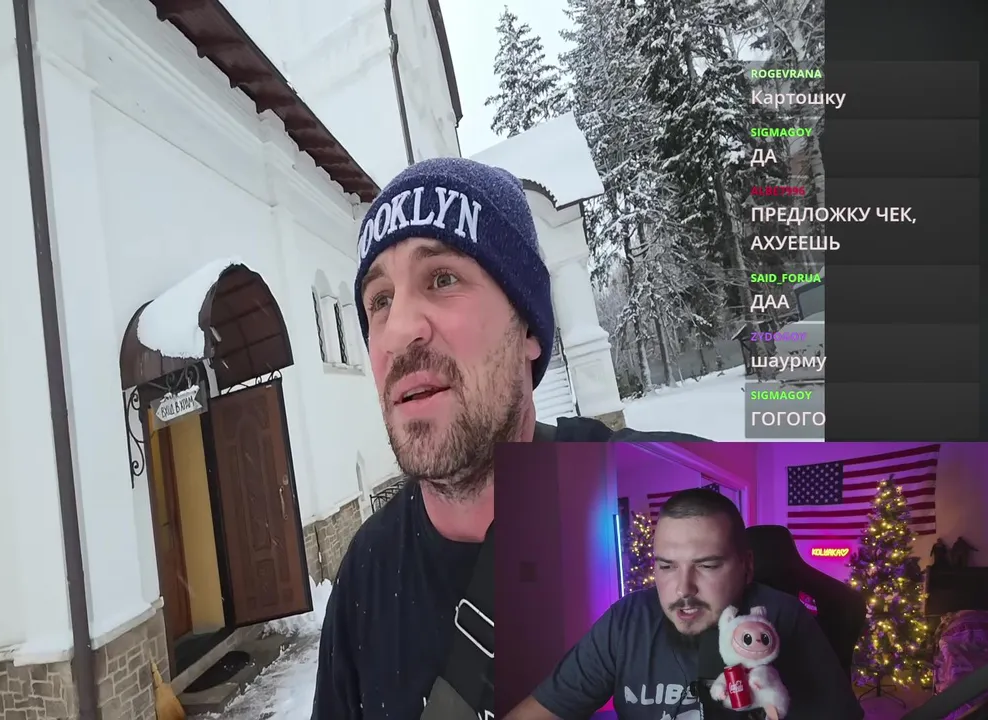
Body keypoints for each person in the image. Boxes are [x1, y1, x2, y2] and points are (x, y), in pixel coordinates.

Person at [310, 157, 707, 720]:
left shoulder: (671, 497)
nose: (397, 331)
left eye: (442, 279)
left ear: (527, 329)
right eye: (379, 301)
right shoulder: (365, 578)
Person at [506, 488, 863, 720]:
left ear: (747, 567)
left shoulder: (783, 618)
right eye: (666, 566)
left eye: (707, 566)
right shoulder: (626, 621)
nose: (683, 588)